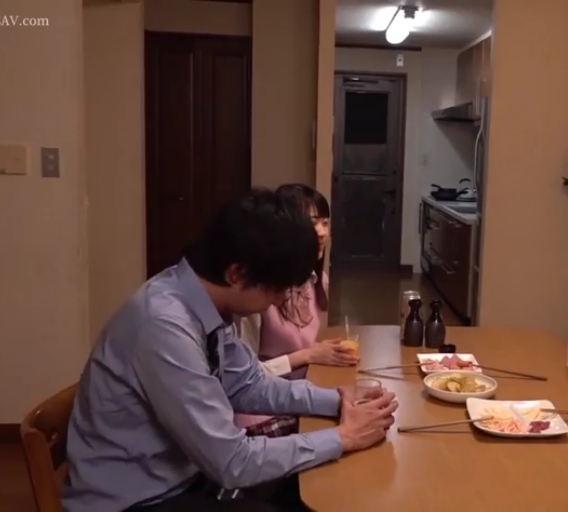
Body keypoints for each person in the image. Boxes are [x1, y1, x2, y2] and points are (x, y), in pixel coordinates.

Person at [62, 188, 398, 512]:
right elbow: (232, 462)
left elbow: (249, 384)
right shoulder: (164, 325)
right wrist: (343, 437)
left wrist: (338, 400)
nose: (279, 300)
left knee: (323, 486)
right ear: (237, 273)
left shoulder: (203, 301)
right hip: (140, 500)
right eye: (276, 289)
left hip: (188, 475)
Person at [233, 184, 358, 437]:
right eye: (313, 223)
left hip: (300, 396)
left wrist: (324, 352)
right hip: (261, 413)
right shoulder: (257, 293)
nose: (321, 232)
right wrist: (307, 355)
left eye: (325, 223)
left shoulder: (317, 281)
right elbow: (242, 378)